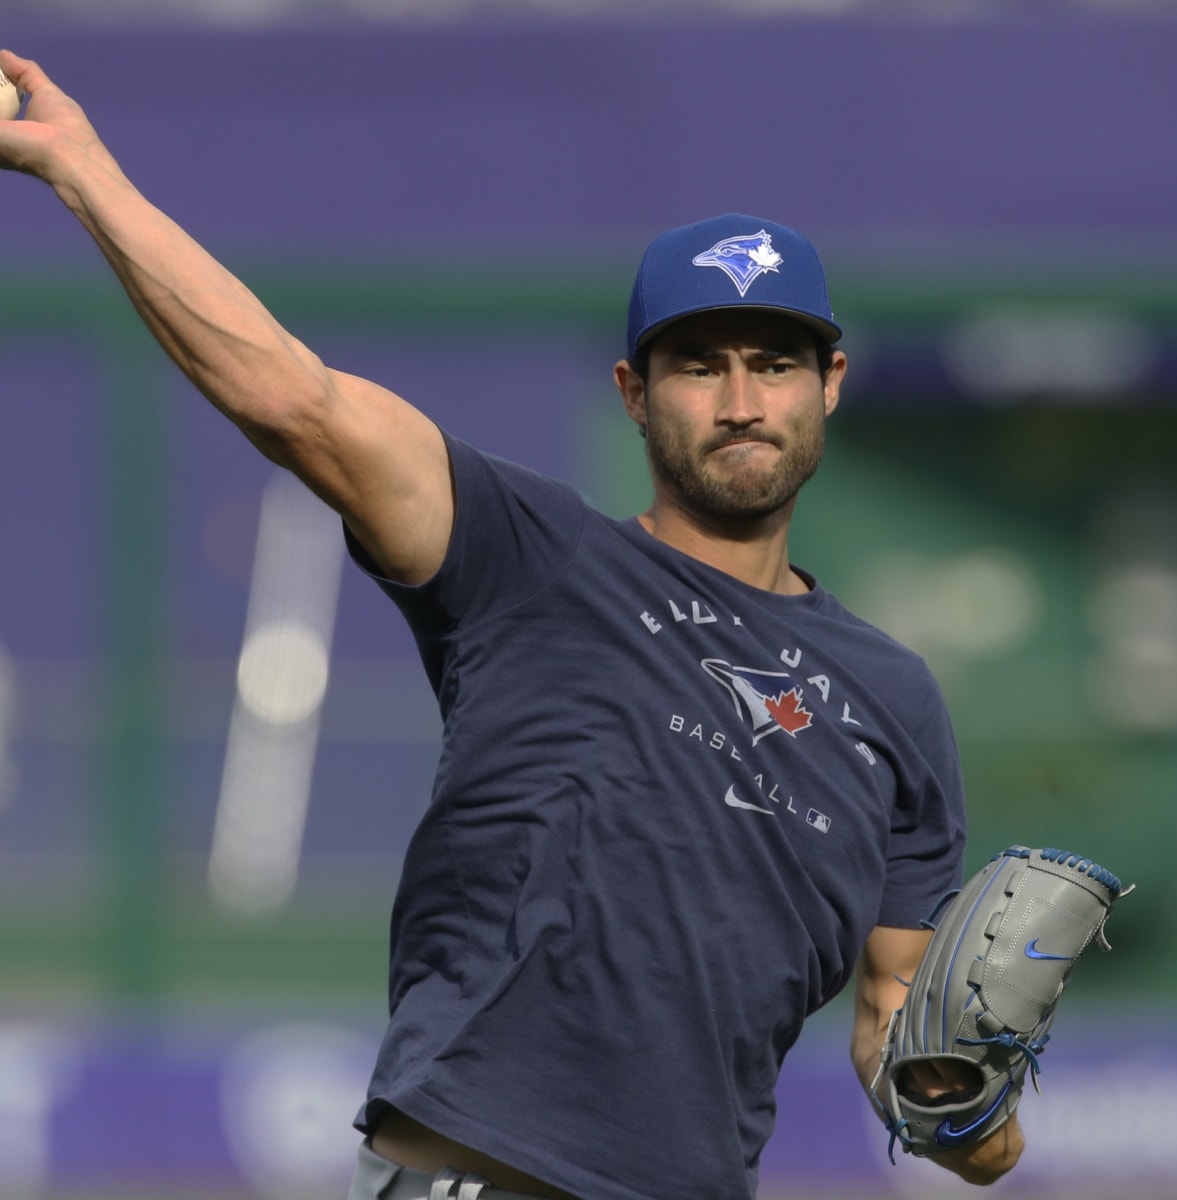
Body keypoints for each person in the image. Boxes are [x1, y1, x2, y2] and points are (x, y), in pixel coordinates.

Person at [0, 50, 1024, 1200]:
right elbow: (290, 395)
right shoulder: (528, 555)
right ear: (635, 393)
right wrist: (80, 170)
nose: (741, 402)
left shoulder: (893, 698)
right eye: (699, 366)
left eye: (774, 364)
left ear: (828, 383)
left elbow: (914, 1050)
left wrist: (969, 1106)